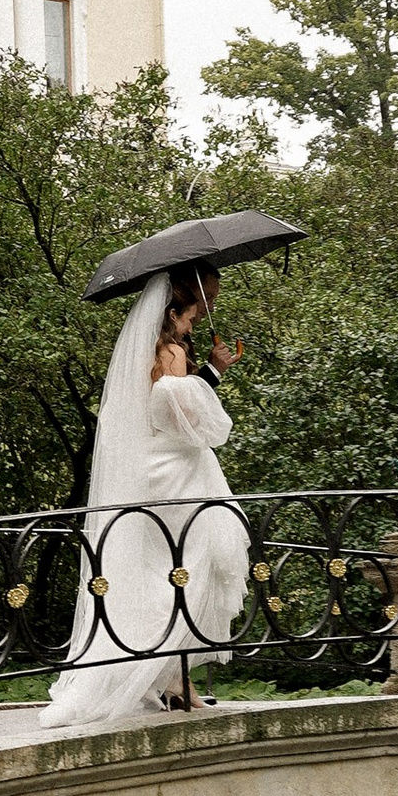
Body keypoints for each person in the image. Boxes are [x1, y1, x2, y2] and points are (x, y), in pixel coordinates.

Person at [42, 265, 252, 730]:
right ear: (178, 307)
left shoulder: (156, 351)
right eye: (200, 307)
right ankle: (171, 678)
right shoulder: (170, 352)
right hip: (176, 477)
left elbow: (165, 407)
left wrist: (210, 370)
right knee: (186, 571)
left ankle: (171, 680)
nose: (204, 315)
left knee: (163, 573)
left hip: (157, 474)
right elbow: (179, 419)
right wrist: (209, 374)